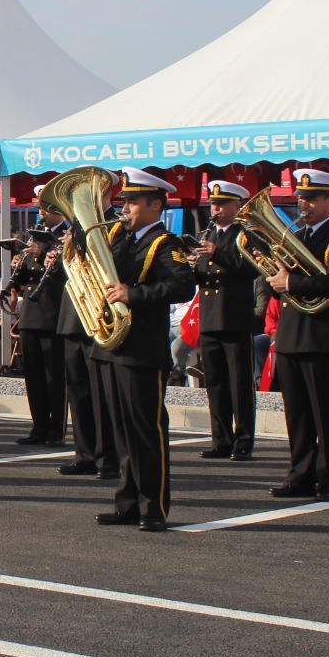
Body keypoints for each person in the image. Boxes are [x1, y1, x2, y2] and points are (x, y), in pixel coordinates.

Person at [90, 168, 196, 533]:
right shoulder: (118, 235)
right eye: (125, 201)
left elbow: (182, 286)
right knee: (120, 430)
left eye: (134, 201)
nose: (127, 207)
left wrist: (132, 294)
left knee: (146, 430)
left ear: (155, 204)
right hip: (112, 347)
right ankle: (127, 501)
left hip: (143, 349)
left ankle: (154, 506)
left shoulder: (166, 243)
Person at [266, 169, 329, 502]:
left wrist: (290, 283)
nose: (303, 204)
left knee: (325, 412)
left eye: (311, 198)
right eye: (301, 198)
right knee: (297, 413)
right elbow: (278, 282)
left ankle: (326, 478)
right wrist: (276, 278)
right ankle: (299, 475)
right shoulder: (296, 236)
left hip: (322, 336)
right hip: (291, 335)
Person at [189, 180, 260, 460]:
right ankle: (221, 439)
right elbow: (201, 278)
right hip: (209, 317)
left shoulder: (245, 235)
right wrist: (190, 266)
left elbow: (250, 269)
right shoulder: (207, 236)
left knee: (239, 384)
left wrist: (217, 253)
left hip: (234, 317)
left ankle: (244, 440)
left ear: (236, 206)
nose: (215, 209)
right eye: (213, 205)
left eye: (221, 205)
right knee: (215, 383)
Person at [13, 200, 68, 446]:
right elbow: (27, 278)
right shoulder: (36, 236)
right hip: (31, 313)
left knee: (53, 376)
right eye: (40, 209)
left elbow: (67, 273)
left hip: (53, 314)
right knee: (33, 375)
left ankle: (56, 429)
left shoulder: (66, 238)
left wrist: (43, 253)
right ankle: (39, 426)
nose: (42, 214)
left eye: (47, 209)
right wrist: (19, 266)